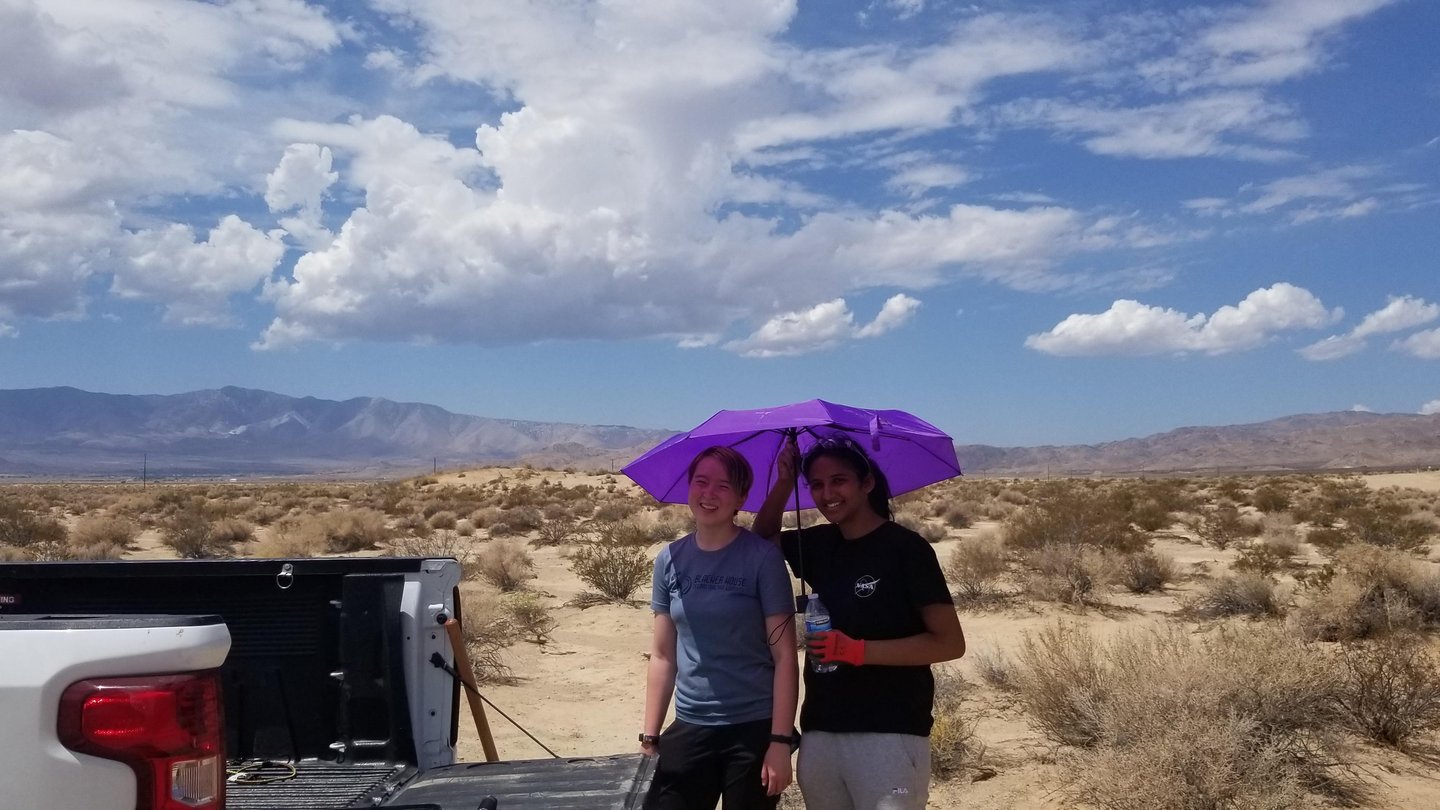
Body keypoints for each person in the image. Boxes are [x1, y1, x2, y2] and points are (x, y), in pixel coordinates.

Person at [752, 435, 966, 810]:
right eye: (816, 484)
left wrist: (856, 650)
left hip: (890, 730)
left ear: (866, 483)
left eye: (839, 480)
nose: (826, 493)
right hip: (822, 728)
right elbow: (762, 538)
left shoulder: (907, 549)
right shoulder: (817, 544)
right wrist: (785, 483)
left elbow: (949, 643)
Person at [641, 445, 799, 809]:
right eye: (701, 482)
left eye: (723, 486)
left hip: (753, 727)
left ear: (742, 497)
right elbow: (664, 656)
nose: (709, 494)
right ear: (689, 487)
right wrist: (650, 735)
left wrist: (779, 742)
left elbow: (785, 657)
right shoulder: (669, 560)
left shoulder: (763, 559)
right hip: (691, 723)